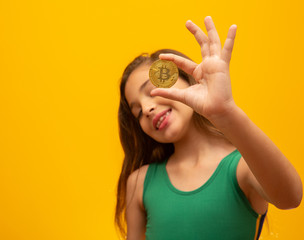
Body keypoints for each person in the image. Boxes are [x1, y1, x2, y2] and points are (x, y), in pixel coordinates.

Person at [114, 16, 303, 240]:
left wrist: (226, 112)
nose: (146, 109)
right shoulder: (140, 182)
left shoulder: (241, 168)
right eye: (137, 112)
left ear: (187, 79)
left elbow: (291, 197)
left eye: (152, 90)